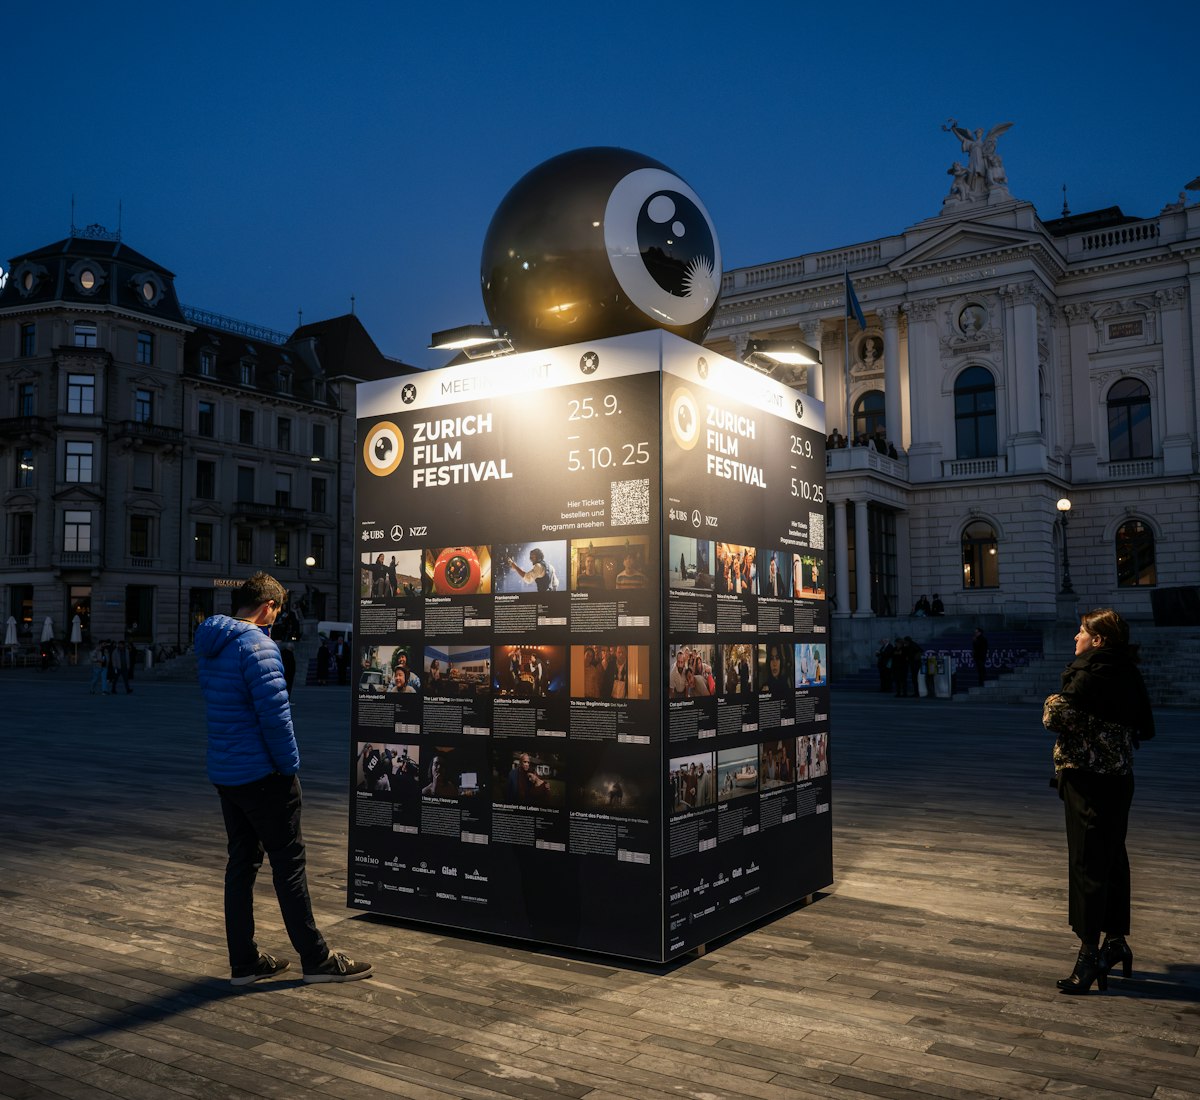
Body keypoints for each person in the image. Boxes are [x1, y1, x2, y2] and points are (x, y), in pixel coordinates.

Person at [195, 571, 371, 986]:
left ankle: (244, 962)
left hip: (226, 771)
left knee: (241, 863)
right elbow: (276, 719)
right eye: (278, 610)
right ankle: (317, 960)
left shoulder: (210, 644)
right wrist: (289, 767)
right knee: (289, 865)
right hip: (263, 774)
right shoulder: (258, 645)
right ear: (268, 606)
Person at [1044, 609, 1154, 994]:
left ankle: (1089, 955)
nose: (1076, 637)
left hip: (1088, 782)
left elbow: (1054, 714)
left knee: (1088, 863)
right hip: (1119, 780)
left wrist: (1053, 699)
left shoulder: (1091, 674)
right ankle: (1117, 943)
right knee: (1112, 860)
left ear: (1099, 640)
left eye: (1082, 631)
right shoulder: (1125, 671)